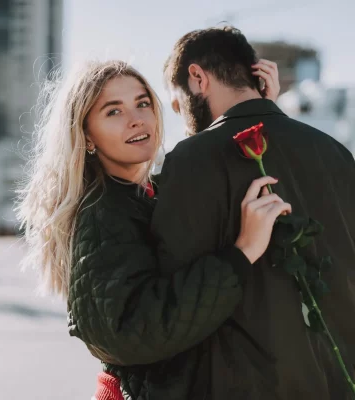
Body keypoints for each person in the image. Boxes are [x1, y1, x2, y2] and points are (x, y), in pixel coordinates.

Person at [16, 58, 286, 400]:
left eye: (142, 103)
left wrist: (259, 111)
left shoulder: (145, 195)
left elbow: (206, 173)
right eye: (113, 111)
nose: (136, 119)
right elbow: (131, 333)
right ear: (86, 137)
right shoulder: (102, 213)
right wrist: (242, 252)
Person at [147, 26, 353, 399]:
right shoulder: (336, 153)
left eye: (176, 101)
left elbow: (175, 301)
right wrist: (268, 111)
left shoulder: (192, 159)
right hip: (336, 380)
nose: (179, 112)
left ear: (197, 77)